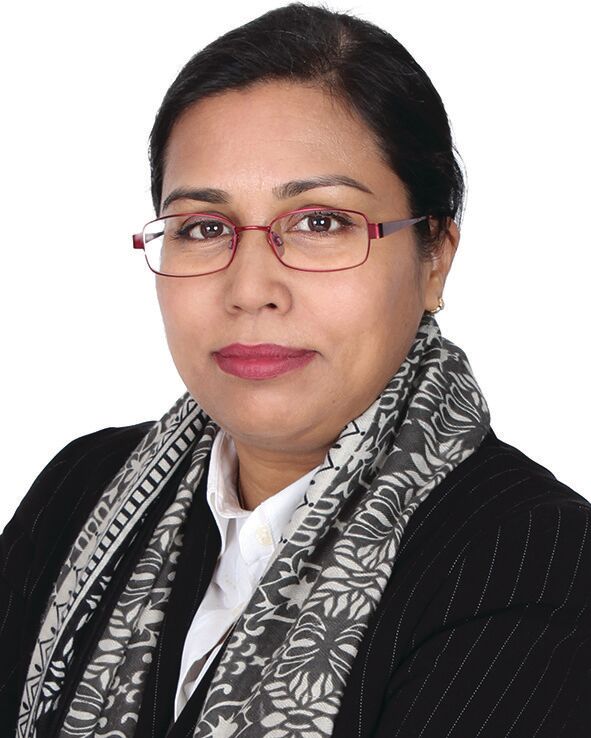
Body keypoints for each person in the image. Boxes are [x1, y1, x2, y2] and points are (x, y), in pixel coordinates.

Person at [2, 3, 590, 737]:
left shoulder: (532, 564)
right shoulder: (80, 492)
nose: (250, 289)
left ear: (434, 256)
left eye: (320, 222)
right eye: (203, 227)